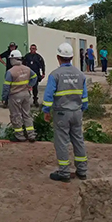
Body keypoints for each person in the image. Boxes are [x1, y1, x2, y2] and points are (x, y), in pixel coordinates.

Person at [42, 43, 89, 183]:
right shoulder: (80, 74)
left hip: (62, 113)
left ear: (58, 57)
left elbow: (48, 95)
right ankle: (82, 171)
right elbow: (84, 98)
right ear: (72, 57)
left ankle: (64, 173)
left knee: (62, 142)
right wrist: (81, 109)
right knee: (78, 140)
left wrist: (46, 111)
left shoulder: (55, 75)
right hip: (77, 112)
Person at [2, 50, 38, 142]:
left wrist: (4, 98)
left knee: (16, 115)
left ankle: (20, 136)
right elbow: (35, 77)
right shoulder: (27, 69)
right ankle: (31, 135)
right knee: (27, 114)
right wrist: (30, 85)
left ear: (13, 59)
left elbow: (6, 86)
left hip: (15, 95)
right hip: (26, 94)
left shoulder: (10, 72)